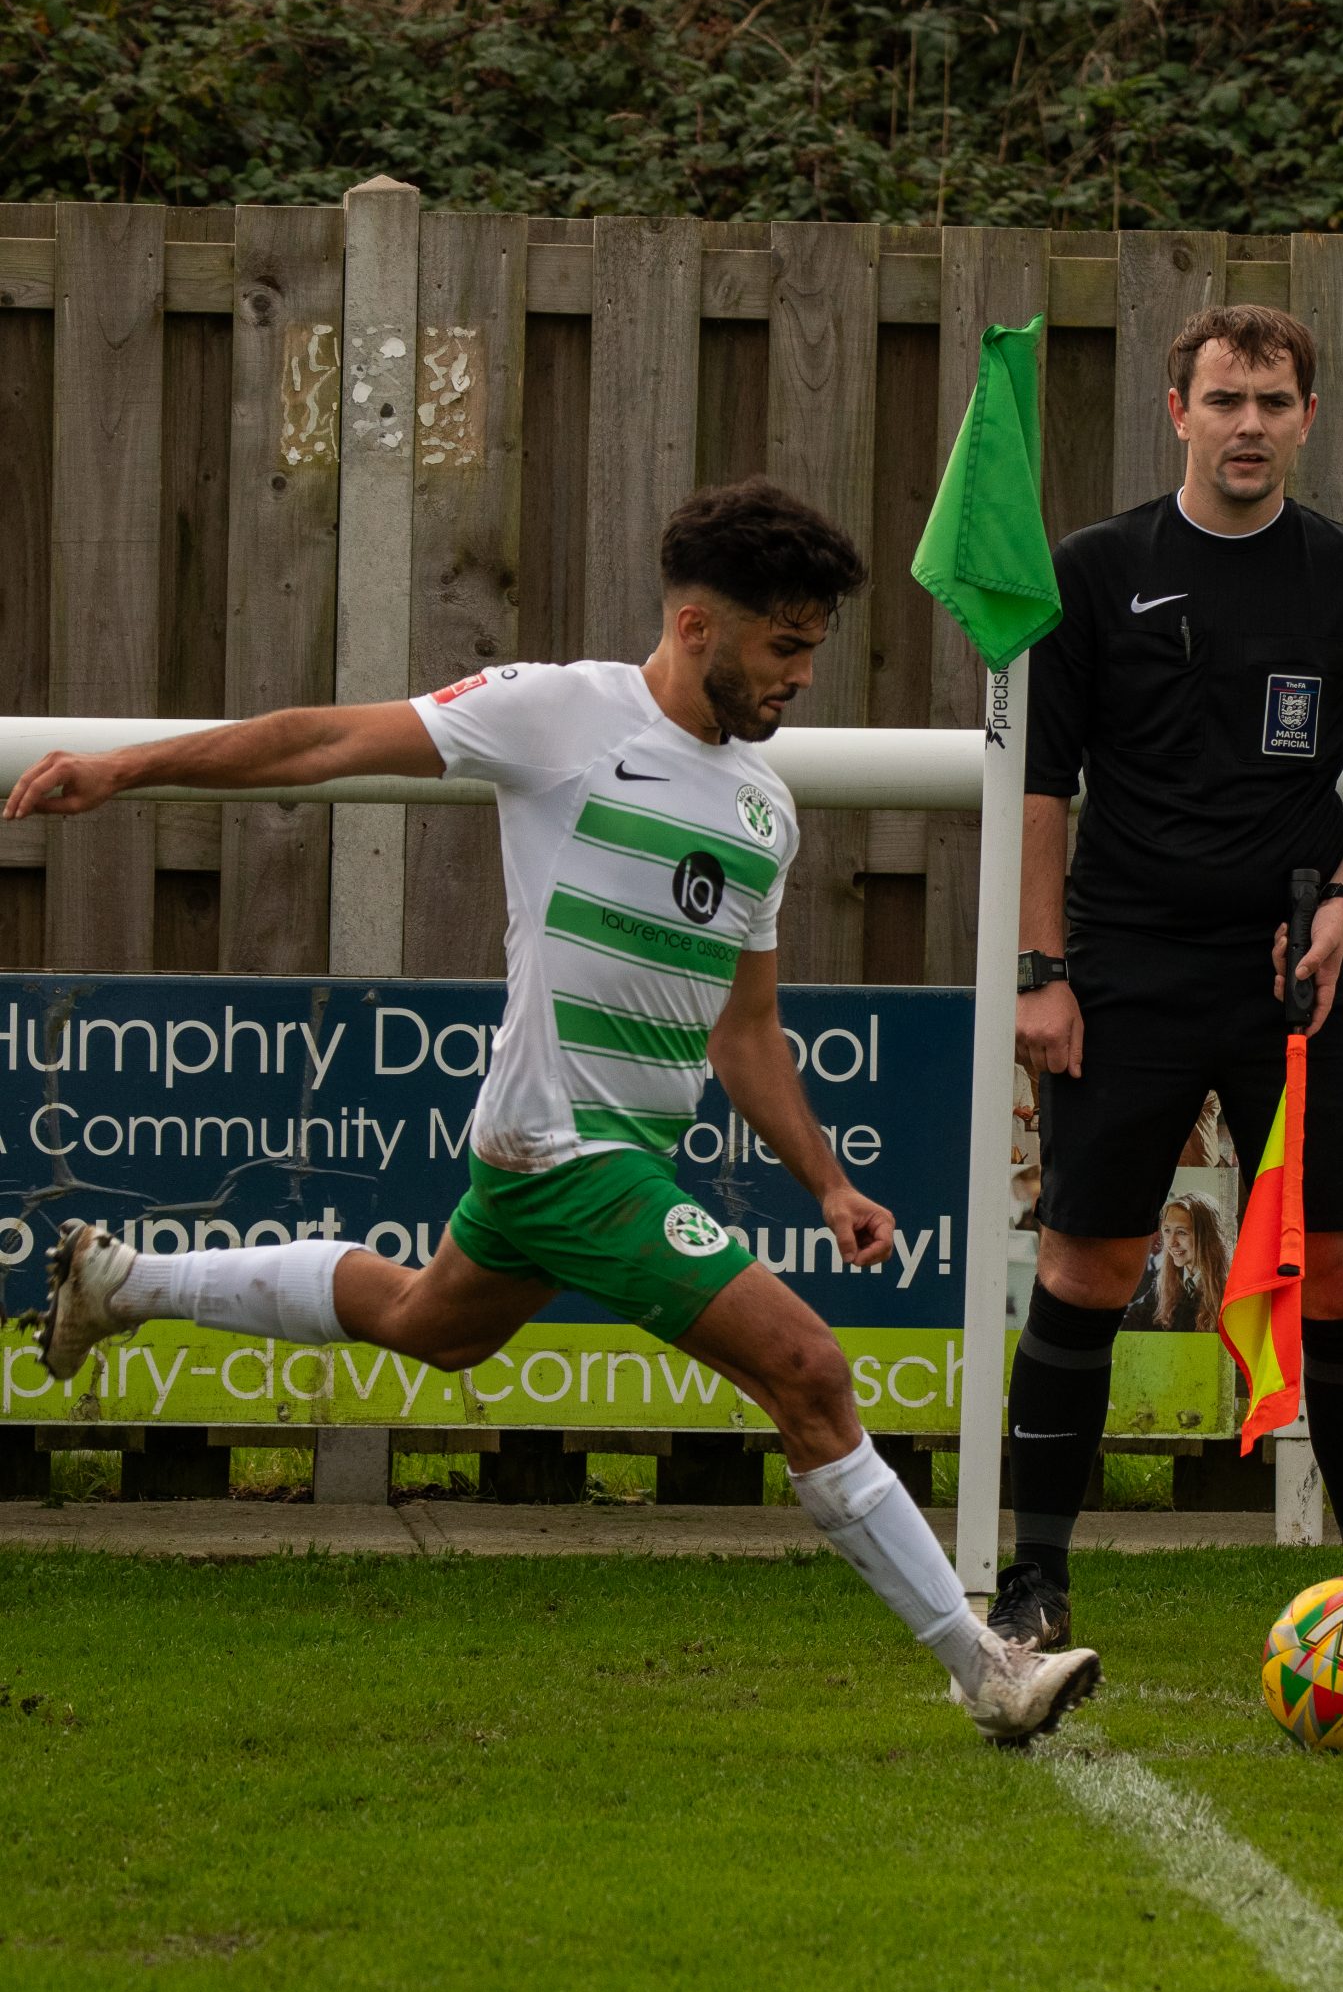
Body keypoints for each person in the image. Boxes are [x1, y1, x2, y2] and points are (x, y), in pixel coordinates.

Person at [8, 475, 1100, 1746]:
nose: (803, 675)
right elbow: (321, 741)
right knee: (808, 1367)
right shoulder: (563, 713)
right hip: (563, 1151)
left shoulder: (765, 806)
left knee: (428, 1322)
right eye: (784, 646)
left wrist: (828, 1182)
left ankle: (121, 1282)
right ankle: (984, 1666)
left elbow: (745, 1032)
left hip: (608, 1156)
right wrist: (125, 769)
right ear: (695, 625)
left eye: (813, 647)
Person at [1002, 306, 1343, 1660]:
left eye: (1274, 402)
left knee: (1339, 1266)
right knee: (1089, 1263)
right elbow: (1039, 786)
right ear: (1177, 412)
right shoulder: (1094, 570)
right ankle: (1034, 1580)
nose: (1248, 425)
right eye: (1224, 400)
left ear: (1308, 418)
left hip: (1299, 974)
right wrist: (1040, 973)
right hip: (1123, 970)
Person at [1124, 1194, 1229, 1335]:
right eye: (1167, 1230)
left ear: (1207, 1236)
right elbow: (1132, 1319)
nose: (1171, 1242)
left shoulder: (1229, 1288)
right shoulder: (1164, 1284)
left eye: (1181, 1232)